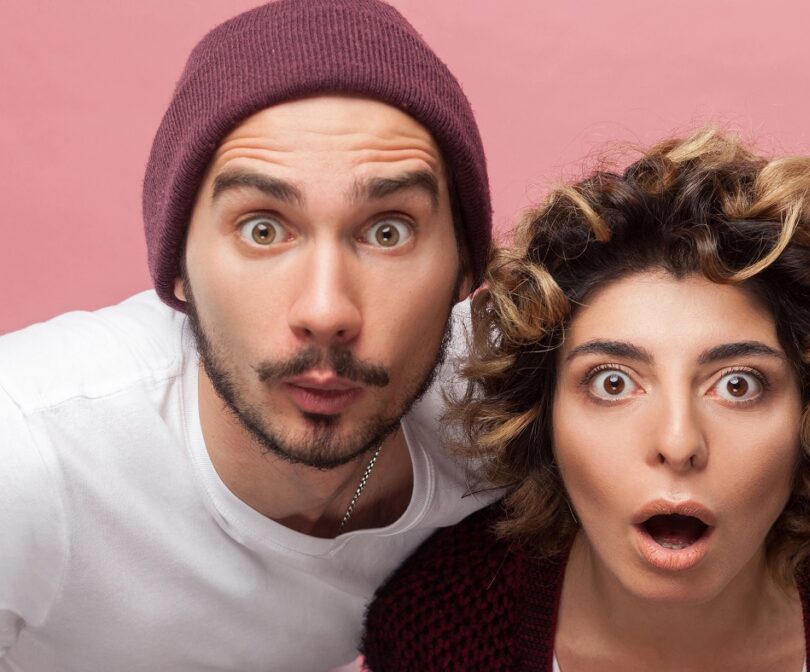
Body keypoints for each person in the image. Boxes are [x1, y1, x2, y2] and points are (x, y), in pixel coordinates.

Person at [362, 128, 810, 670]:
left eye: (737, 385)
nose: (677, 442)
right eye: (612, 383)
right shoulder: (438, 628)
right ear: (543, 418)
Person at [0, 0, 496, 669]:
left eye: (389, 231)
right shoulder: (27, 445)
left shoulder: (522, 415)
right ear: (177, 268)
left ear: (466, 270)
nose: (325, 311)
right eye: (263, 229)